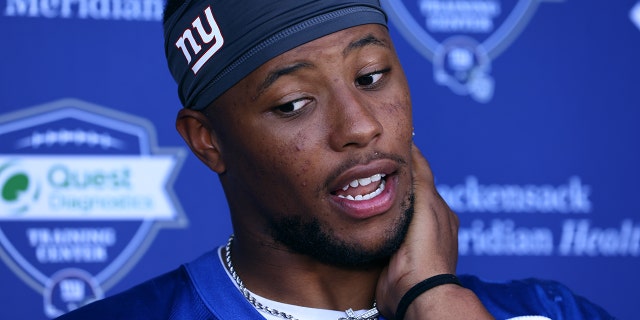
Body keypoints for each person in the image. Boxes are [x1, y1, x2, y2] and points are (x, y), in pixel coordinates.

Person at [57, 0, 614, 319]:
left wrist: (437, 302)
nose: (360, 125)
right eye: (294, 104)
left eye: (371, 76)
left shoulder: (548, 311)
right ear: (208, 141)